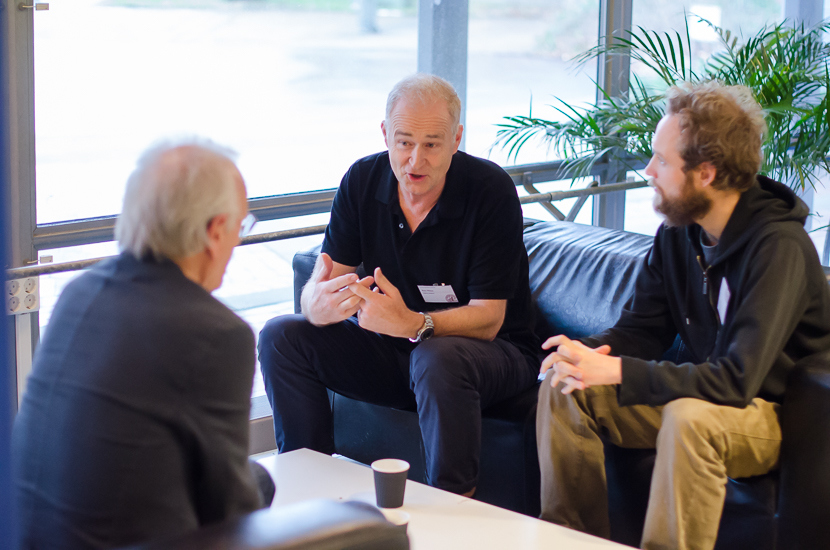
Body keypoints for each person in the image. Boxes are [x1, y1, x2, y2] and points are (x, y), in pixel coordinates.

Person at [536, 81, 830, 550]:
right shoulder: (680, 234)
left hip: (774, 416)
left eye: (663, 160)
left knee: (689, 419)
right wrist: (584, 354)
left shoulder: (780, 248)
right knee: (567, 387)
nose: (649, 170)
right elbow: (640, 331)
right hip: (706, 395)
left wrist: (615, 369)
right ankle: (572, 540)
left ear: (707, 174)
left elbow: (736, 382)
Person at [258, 73, 540, 496]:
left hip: (492, 354)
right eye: (405, 142)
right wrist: (315, 305)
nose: (415, 160)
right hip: (395, 352)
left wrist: (413, 323)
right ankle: (308, 493)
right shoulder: (362, 180)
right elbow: (327, 283)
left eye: (432, 144)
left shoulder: (490, 190)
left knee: (436, 356)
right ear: (386, 134)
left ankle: (454, 506)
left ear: (457, 138)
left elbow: (490, 317)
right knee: (282, 335)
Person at [13, 139, 273, 550]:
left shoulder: (80, 292)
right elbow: (230, 514)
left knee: (260, 481)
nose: (237, 244)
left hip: (30, 537)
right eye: (240, 226)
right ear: (215, 231)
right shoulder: (217, 334)